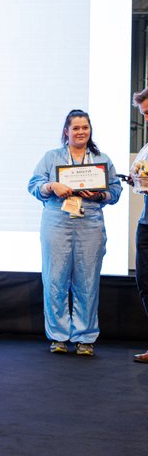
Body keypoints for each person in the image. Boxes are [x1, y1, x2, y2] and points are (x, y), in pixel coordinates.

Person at [27, 109, 122, 357]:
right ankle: (58, 336)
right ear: (66, 131)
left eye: (85, 127)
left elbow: (115, 191)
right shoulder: (51, 157)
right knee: (55, 279)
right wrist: (51, 186)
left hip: (90, 221)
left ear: (90, 130)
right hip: (57, 220)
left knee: (87, 281)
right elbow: (33, 185)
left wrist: (100, 195)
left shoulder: (101, 159)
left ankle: (84, 337)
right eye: (76, 128)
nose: (81, 132)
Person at [131, 88, 148, 363]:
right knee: (144, 282)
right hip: (146, 222)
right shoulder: (146, 147)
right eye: (144, 114)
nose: (147, 118)